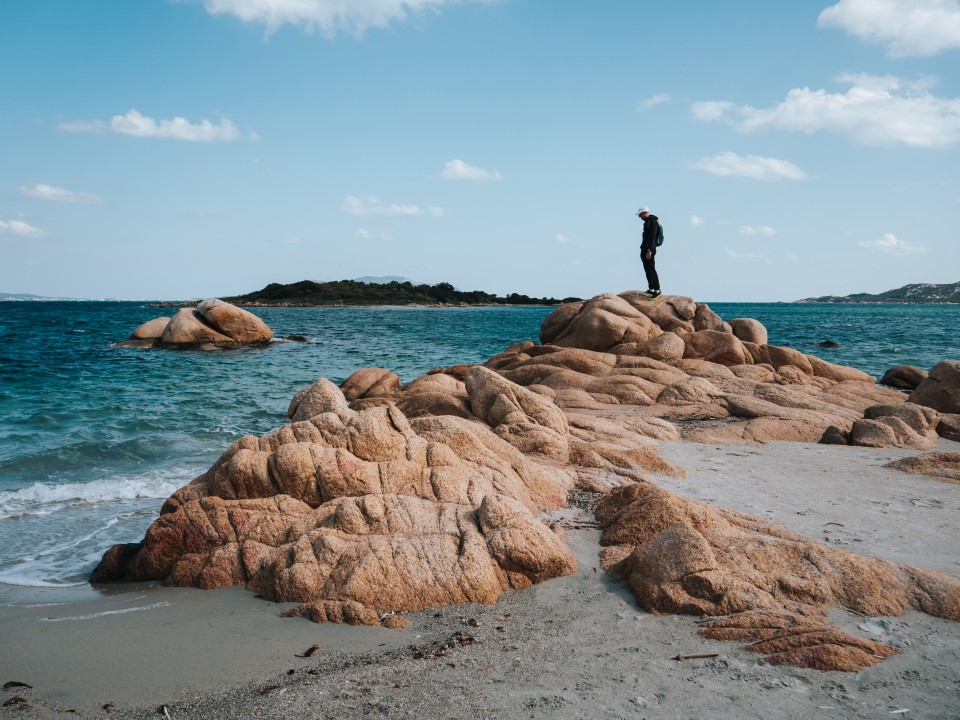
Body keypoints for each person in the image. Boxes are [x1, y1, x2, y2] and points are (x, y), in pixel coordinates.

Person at [637, 206, 661, 298]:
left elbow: (652, 237)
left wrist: (649, 250)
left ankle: (657, 289)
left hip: (649, 249)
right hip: (645, 248)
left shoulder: (653, 222)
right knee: (647, 269)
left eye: (640, 214)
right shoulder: (647, 222)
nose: (640, 216)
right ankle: (651, 288)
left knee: (651, 269)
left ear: (645, 212)